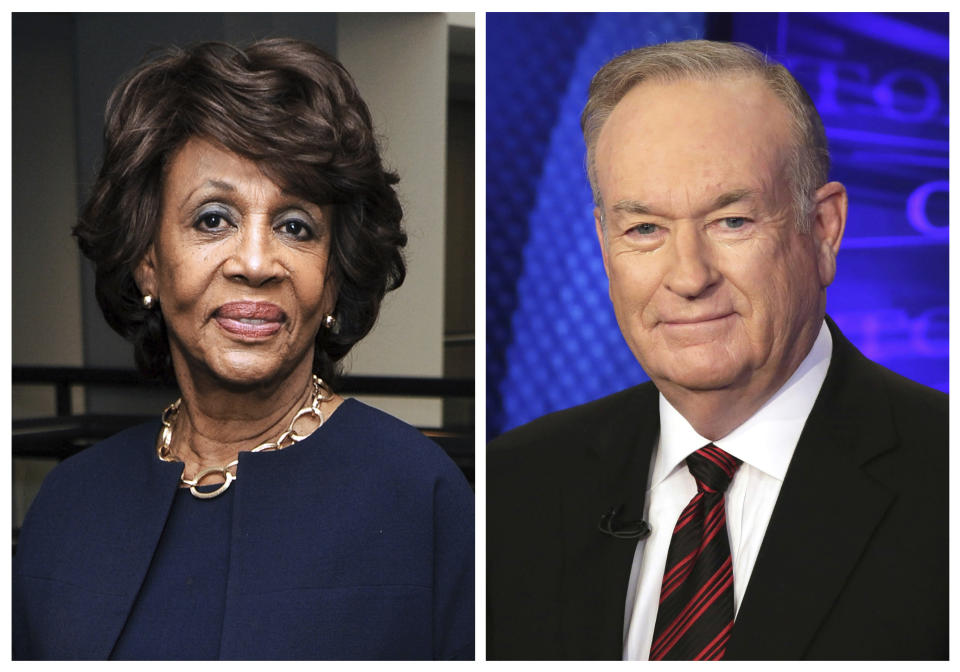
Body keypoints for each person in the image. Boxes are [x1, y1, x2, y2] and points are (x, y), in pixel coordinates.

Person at [13, 38, 473, 661]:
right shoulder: (72, 502)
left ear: (332, 277)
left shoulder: (422, 498)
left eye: (295, 227)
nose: (256, 263)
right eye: (212, 219)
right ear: (148, 263)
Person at [487, 40, 946, 661]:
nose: (688, 276)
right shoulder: (509, 489)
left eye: (732, 221)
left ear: (823, 230)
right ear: (604, 244)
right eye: (644, 229)